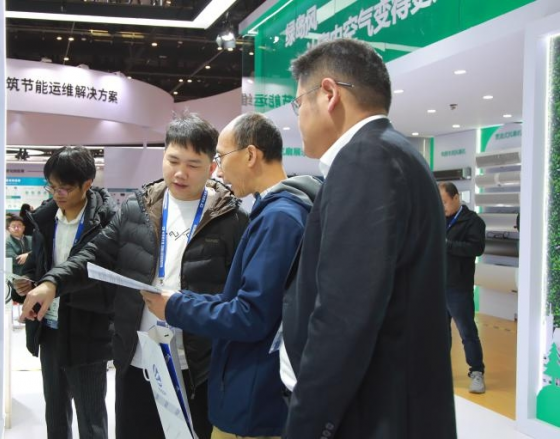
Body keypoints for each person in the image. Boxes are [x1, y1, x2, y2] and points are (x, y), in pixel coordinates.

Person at [19, 113, 249, 439]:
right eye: (173, 160)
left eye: (193, 165)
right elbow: (95, 254)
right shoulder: (137, 209)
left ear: (212, 167)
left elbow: (239, 297)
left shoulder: (232, 219)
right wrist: (52, 283)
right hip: (138, 359)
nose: (180, 172)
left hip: (197, 368)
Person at [282, 38, 457, 438]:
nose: (298, 117)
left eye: (298, 103)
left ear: (328, 94)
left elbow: (342, 318)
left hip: (371, 414)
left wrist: (305, 426)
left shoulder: (365, 159)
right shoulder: (397, 153)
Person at [141, 112, 317, 439]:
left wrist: (176, 307)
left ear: (250, 155)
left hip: (254, 400)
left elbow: (250, 315)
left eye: (221, 158)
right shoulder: (280, 210)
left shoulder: (279, 219)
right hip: (257, 391)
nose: (219, 171)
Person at [14, 146, 117, 439]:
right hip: (49, 327)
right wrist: (25, 284)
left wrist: (55, 285)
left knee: (91, 417)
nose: (58, 194)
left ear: (87, 184)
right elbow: (36, 265)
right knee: (55, 412)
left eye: (66, 188)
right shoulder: (45, 220)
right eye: (52, 186)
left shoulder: (107, 221)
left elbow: (104, 275)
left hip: (88, 330)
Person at [439, 181, 487, 394]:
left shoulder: (473, 221)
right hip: (438, 286)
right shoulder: (438, 219)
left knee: (467, 332)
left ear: (456, 197)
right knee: (440, 333)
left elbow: (476, 248)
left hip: (459, 288)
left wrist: (447, 245)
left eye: (444, 202)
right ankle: (441, 371)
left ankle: (476, 372)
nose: (442, 207)